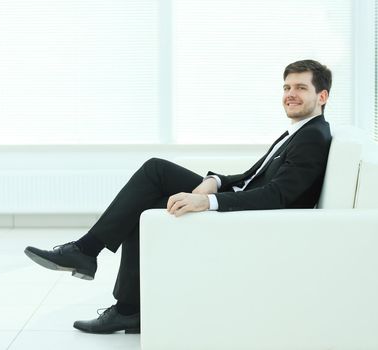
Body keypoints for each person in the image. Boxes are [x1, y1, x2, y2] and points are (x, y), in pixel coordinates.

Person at [24, 59, 332, 335]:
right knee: (152, 182)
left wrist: (209, 201)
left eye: (300, 87)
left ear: (322, 96)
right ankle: (120, 300)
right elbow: (254, 178)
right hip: (243, 203)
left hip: (252, 220)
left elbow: (278, 195)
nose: (290, 93)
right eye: (287, 86)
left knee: (153, 180)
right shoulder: (300, 131)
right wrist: (215, 180)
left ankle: (97, 268)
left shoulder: (314, 137)